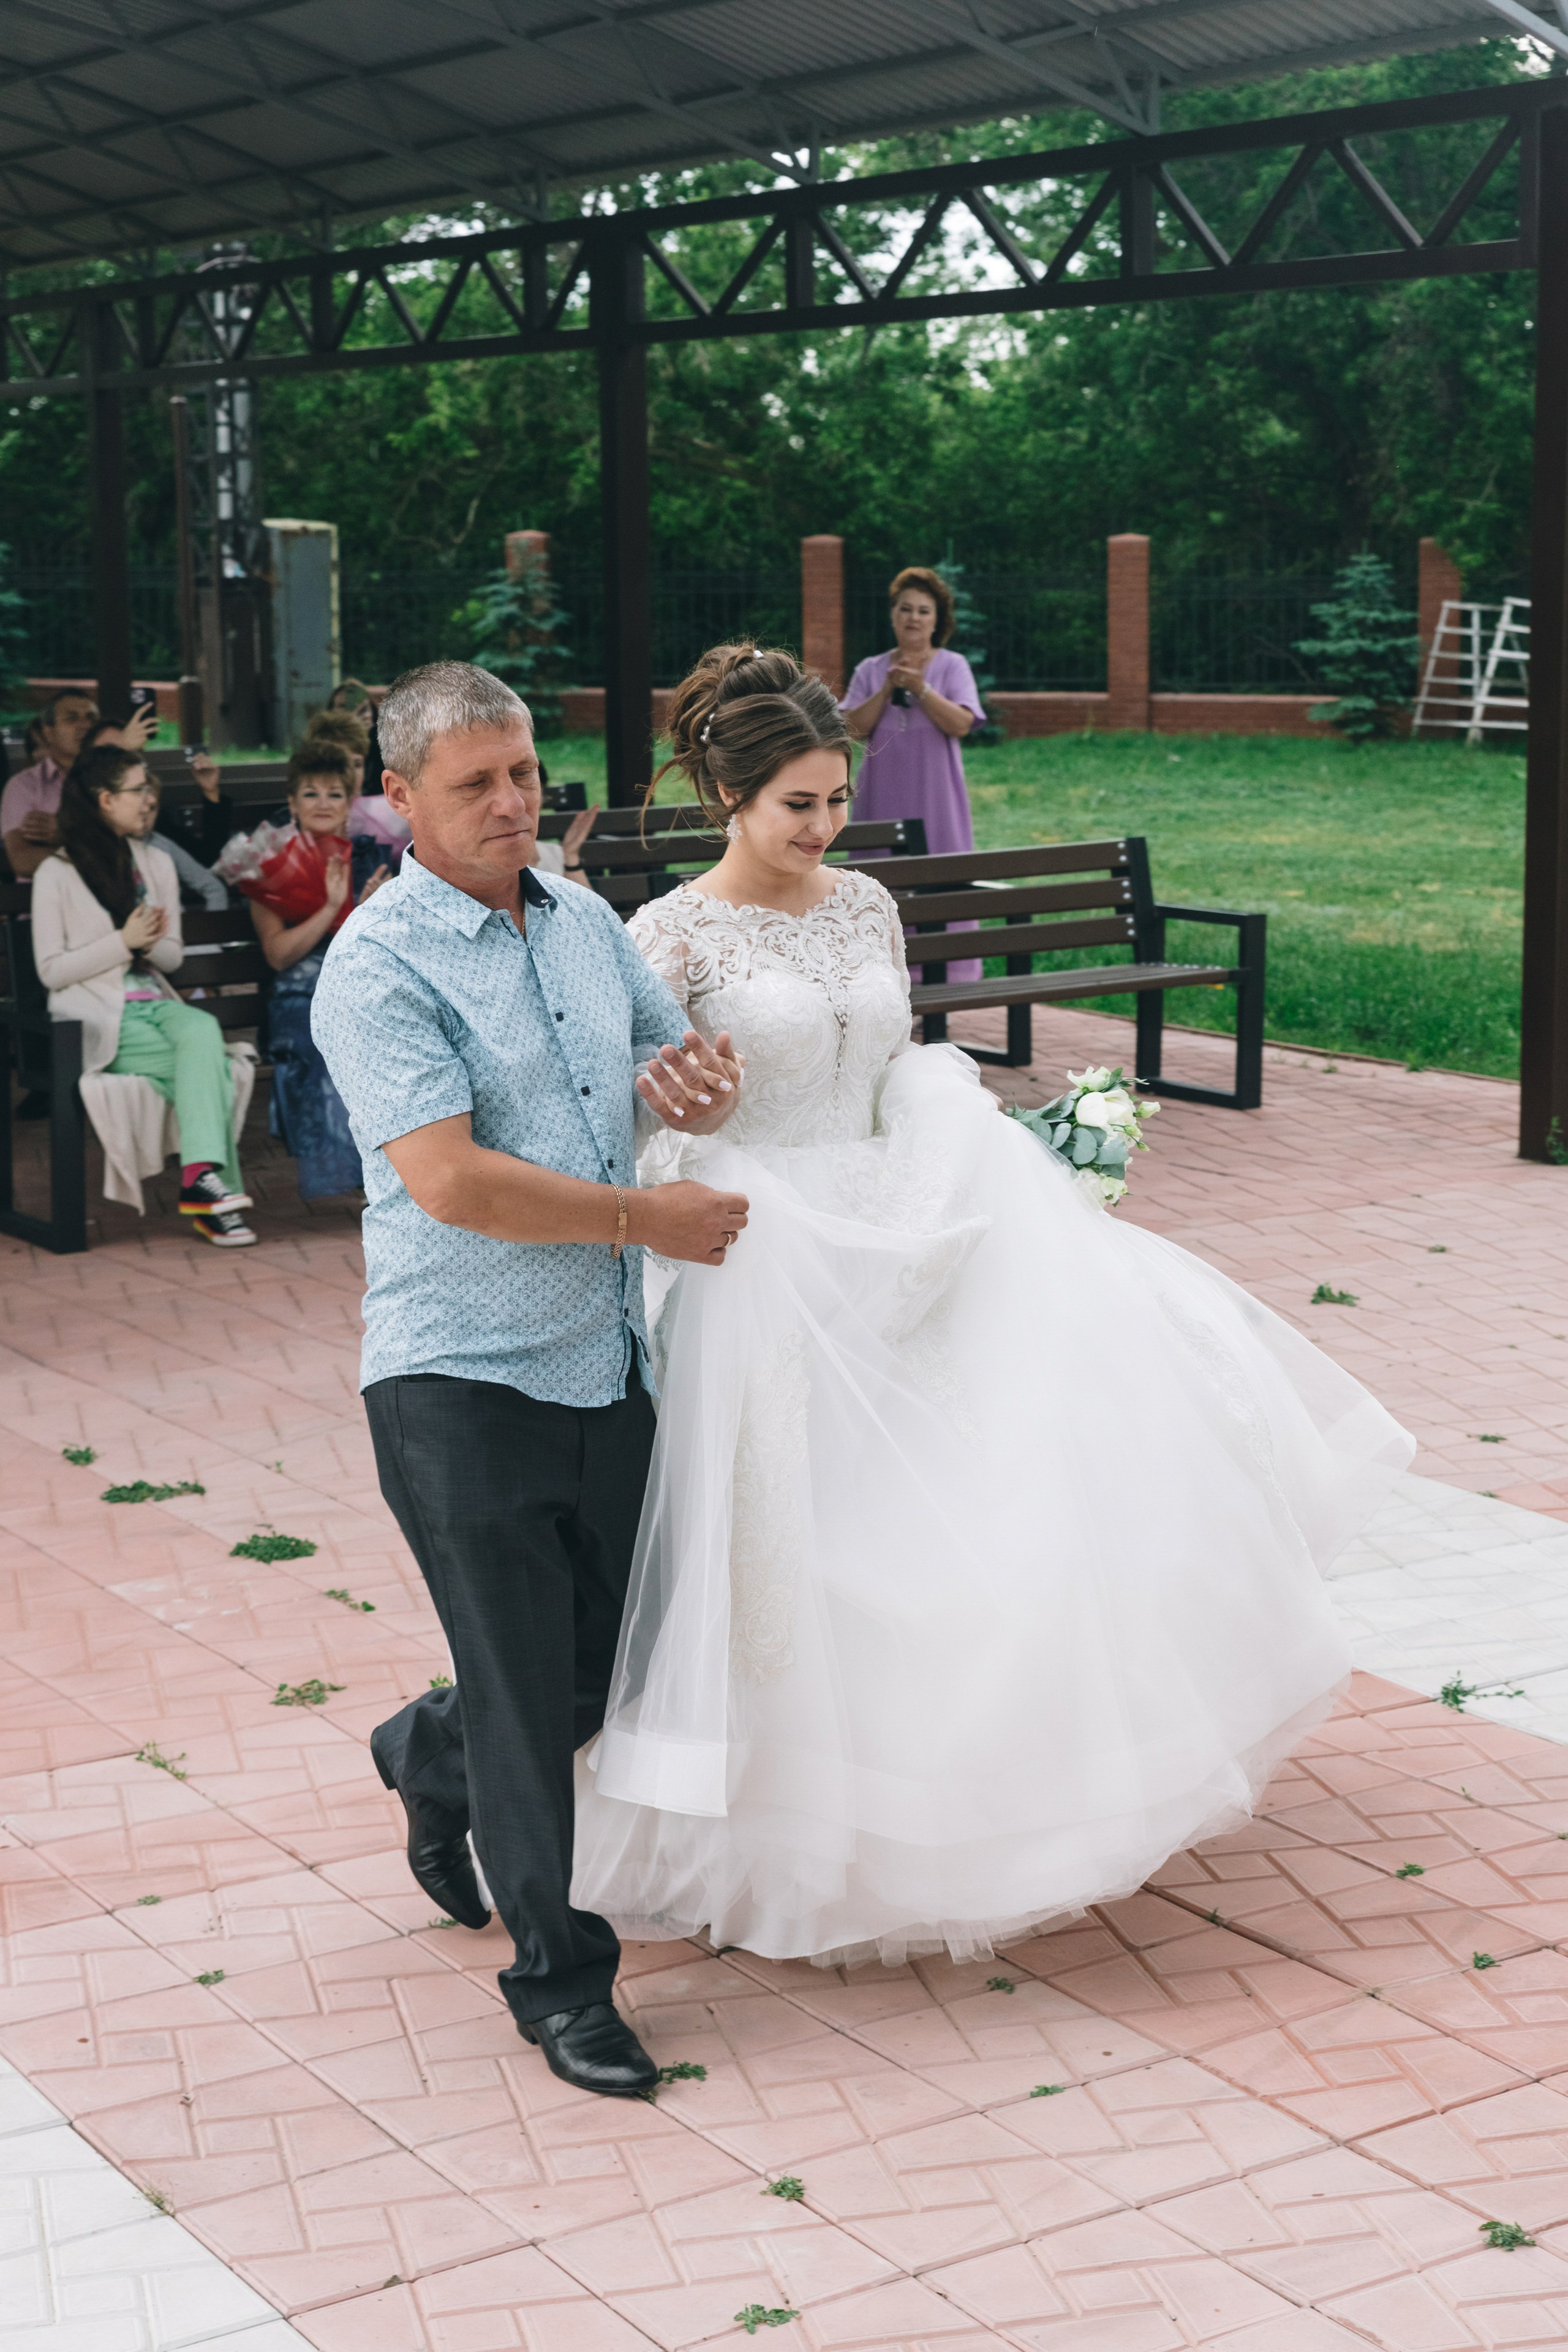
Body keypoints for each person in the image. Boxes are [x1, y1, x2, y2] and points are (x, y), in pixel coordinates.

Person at [570, 644, 1414, 1968]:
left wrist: (952, 1127)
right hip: (768, 1253)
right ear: (725, 796)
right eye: (796, 803)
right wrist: (696, 1119)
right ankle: (790, 1828)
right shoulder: (665, 935)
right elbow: (637, 1130)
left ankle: (993, 1786)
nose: (823, 826)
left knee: (999, 1483)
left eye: (834, 797)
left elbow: (895, 1056)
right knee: (806, 1543)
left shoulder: (862, 905)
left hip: (906, 1215)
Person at [311, 660, 751, 2098]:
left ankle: (423, 1755)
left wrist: (688, 1082)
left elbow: (648, 1059)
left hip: (599, 1361)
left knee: (595, 1668)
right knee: (521, 1690)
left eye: (523, 773)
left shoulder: (581, 921)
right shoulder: (376, 966)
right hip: (455, 1374)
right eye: (474, 786)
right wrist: (643, 1216)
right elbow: (447, 1180)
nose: (513, 804)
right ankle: (560, 1984)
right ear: (402, 803)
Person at [29, 744, 257, 1247]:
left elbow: (172, 956)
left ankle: (202, 1181)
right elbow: (51, 971)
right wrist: (122, 943)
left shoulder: (154, 862)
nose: (149, 800)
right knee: (212, 1067)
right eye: (138, 791)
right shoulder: (56, 874)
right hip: (96, 1016)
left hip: (155, 1002)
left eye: (149, 790)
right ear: (105, 800)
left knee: (201, 1029)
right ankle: (214, 1196)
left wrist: (152, 944)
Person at [243, 741, 390, 1202]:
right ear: (292, 804)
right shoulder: (271, 867)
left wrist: (368, 914)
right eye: (310, 794)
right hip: (299, 996)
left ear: (350, 803)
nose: (323, 804)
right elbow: (278, 955)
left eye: (333, 794)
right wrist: (331, 907)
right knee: (327, 1040)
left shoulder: (377, 860)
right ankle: (352, 1176)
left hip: (366, 988)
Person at [840, 565, 986, 982]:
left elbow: (961, 724)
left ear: (937, 620)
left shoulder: (953, 667)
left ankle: (947, 977)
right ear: (893, 616)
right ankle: (880, 981)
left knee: (941, 877)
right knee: (879, 881)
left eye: (924, 610)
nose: (914, 618)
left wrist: (921, 689)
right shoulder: (871, 668)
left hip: (937, 798)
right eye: (906, 609)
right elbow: (852, 728)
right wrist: (886, 689)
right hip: (882, 797)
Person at [77, 719, 228, 911]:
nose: (149, 803)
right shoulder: (80, 835)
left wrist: (211, 793)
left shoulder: (154, 835)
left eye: (126, 752)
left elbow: (207, 858)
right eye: (110, 752)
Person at [2, 689, 106, 879]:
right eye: (72, 718)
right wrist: (98, 857)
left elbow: (131, 845)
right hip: (46, 903)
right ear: (49, 733)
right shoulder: (23, 787)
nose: (84, 726)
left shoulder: (112, 779)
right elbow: (24, 860)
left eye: (91, 718)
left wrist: (66, 833)